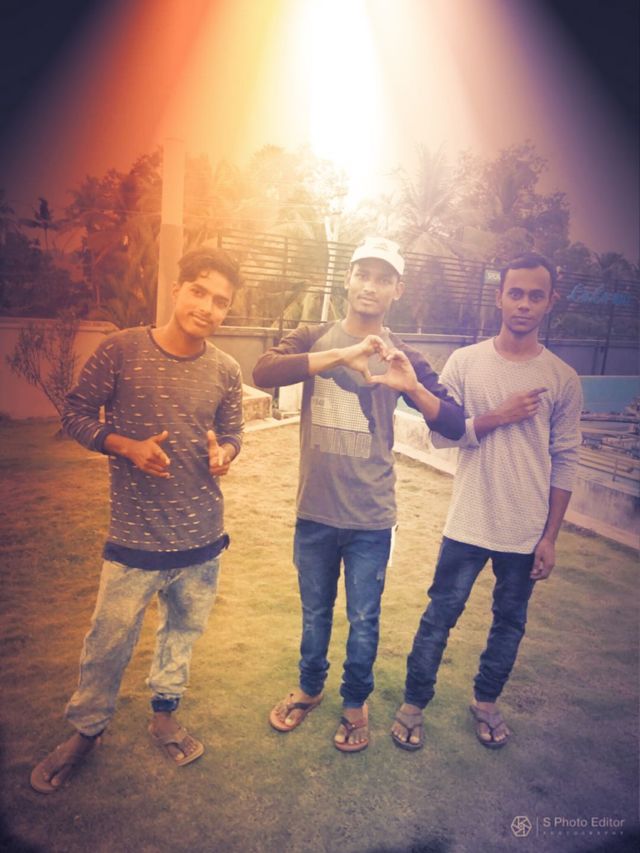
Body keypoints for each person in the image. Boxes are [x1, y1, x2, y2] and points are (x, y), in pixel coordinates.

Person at [30, 247, 244, 793]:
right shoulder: (121, 350)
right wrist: (125, 445)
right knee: (107, 642)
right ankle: (86, 731)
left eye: (221, 301)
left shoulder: (226, 369)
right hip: (134, 537)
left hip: (201, 538)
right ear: (176, 289)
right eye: (198, 291)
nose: (208, 307)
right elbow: (75, 413)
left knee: (182, 635)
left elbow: (232, 433)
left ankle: (165, 715)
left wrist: (226, 453)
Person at [253, 236, 465, 752]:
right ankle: (309, 688)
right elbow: (263, 371)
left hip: (372, 517)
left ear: (397, 290)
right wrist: (342, 354)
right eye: (363, 274)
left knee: (364, 618)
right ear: (348, 279)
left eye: (383, 278)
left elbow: (455, 423)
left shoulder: (403, 354)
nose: (370, 286)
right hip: (315, 511)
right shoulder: (314, 335)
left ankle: (355, 703)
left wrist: (411, 387)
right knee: (315, 612)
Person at [391, 252, 583, 751]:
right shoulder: (465, 363)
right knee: (439, 617)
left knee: (510, 624)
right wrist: (497, 416)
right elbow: (441, 436)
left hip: (525, 531)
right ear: (499, 296)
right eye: (515, 293)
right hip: (468, 523)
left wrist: (550, 537)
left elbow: (566, 460)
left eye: (535, 296)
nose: (523, 304)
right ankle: (413, 705)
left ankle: (486, 702)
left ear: (550, 302)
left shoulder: (562, 378)